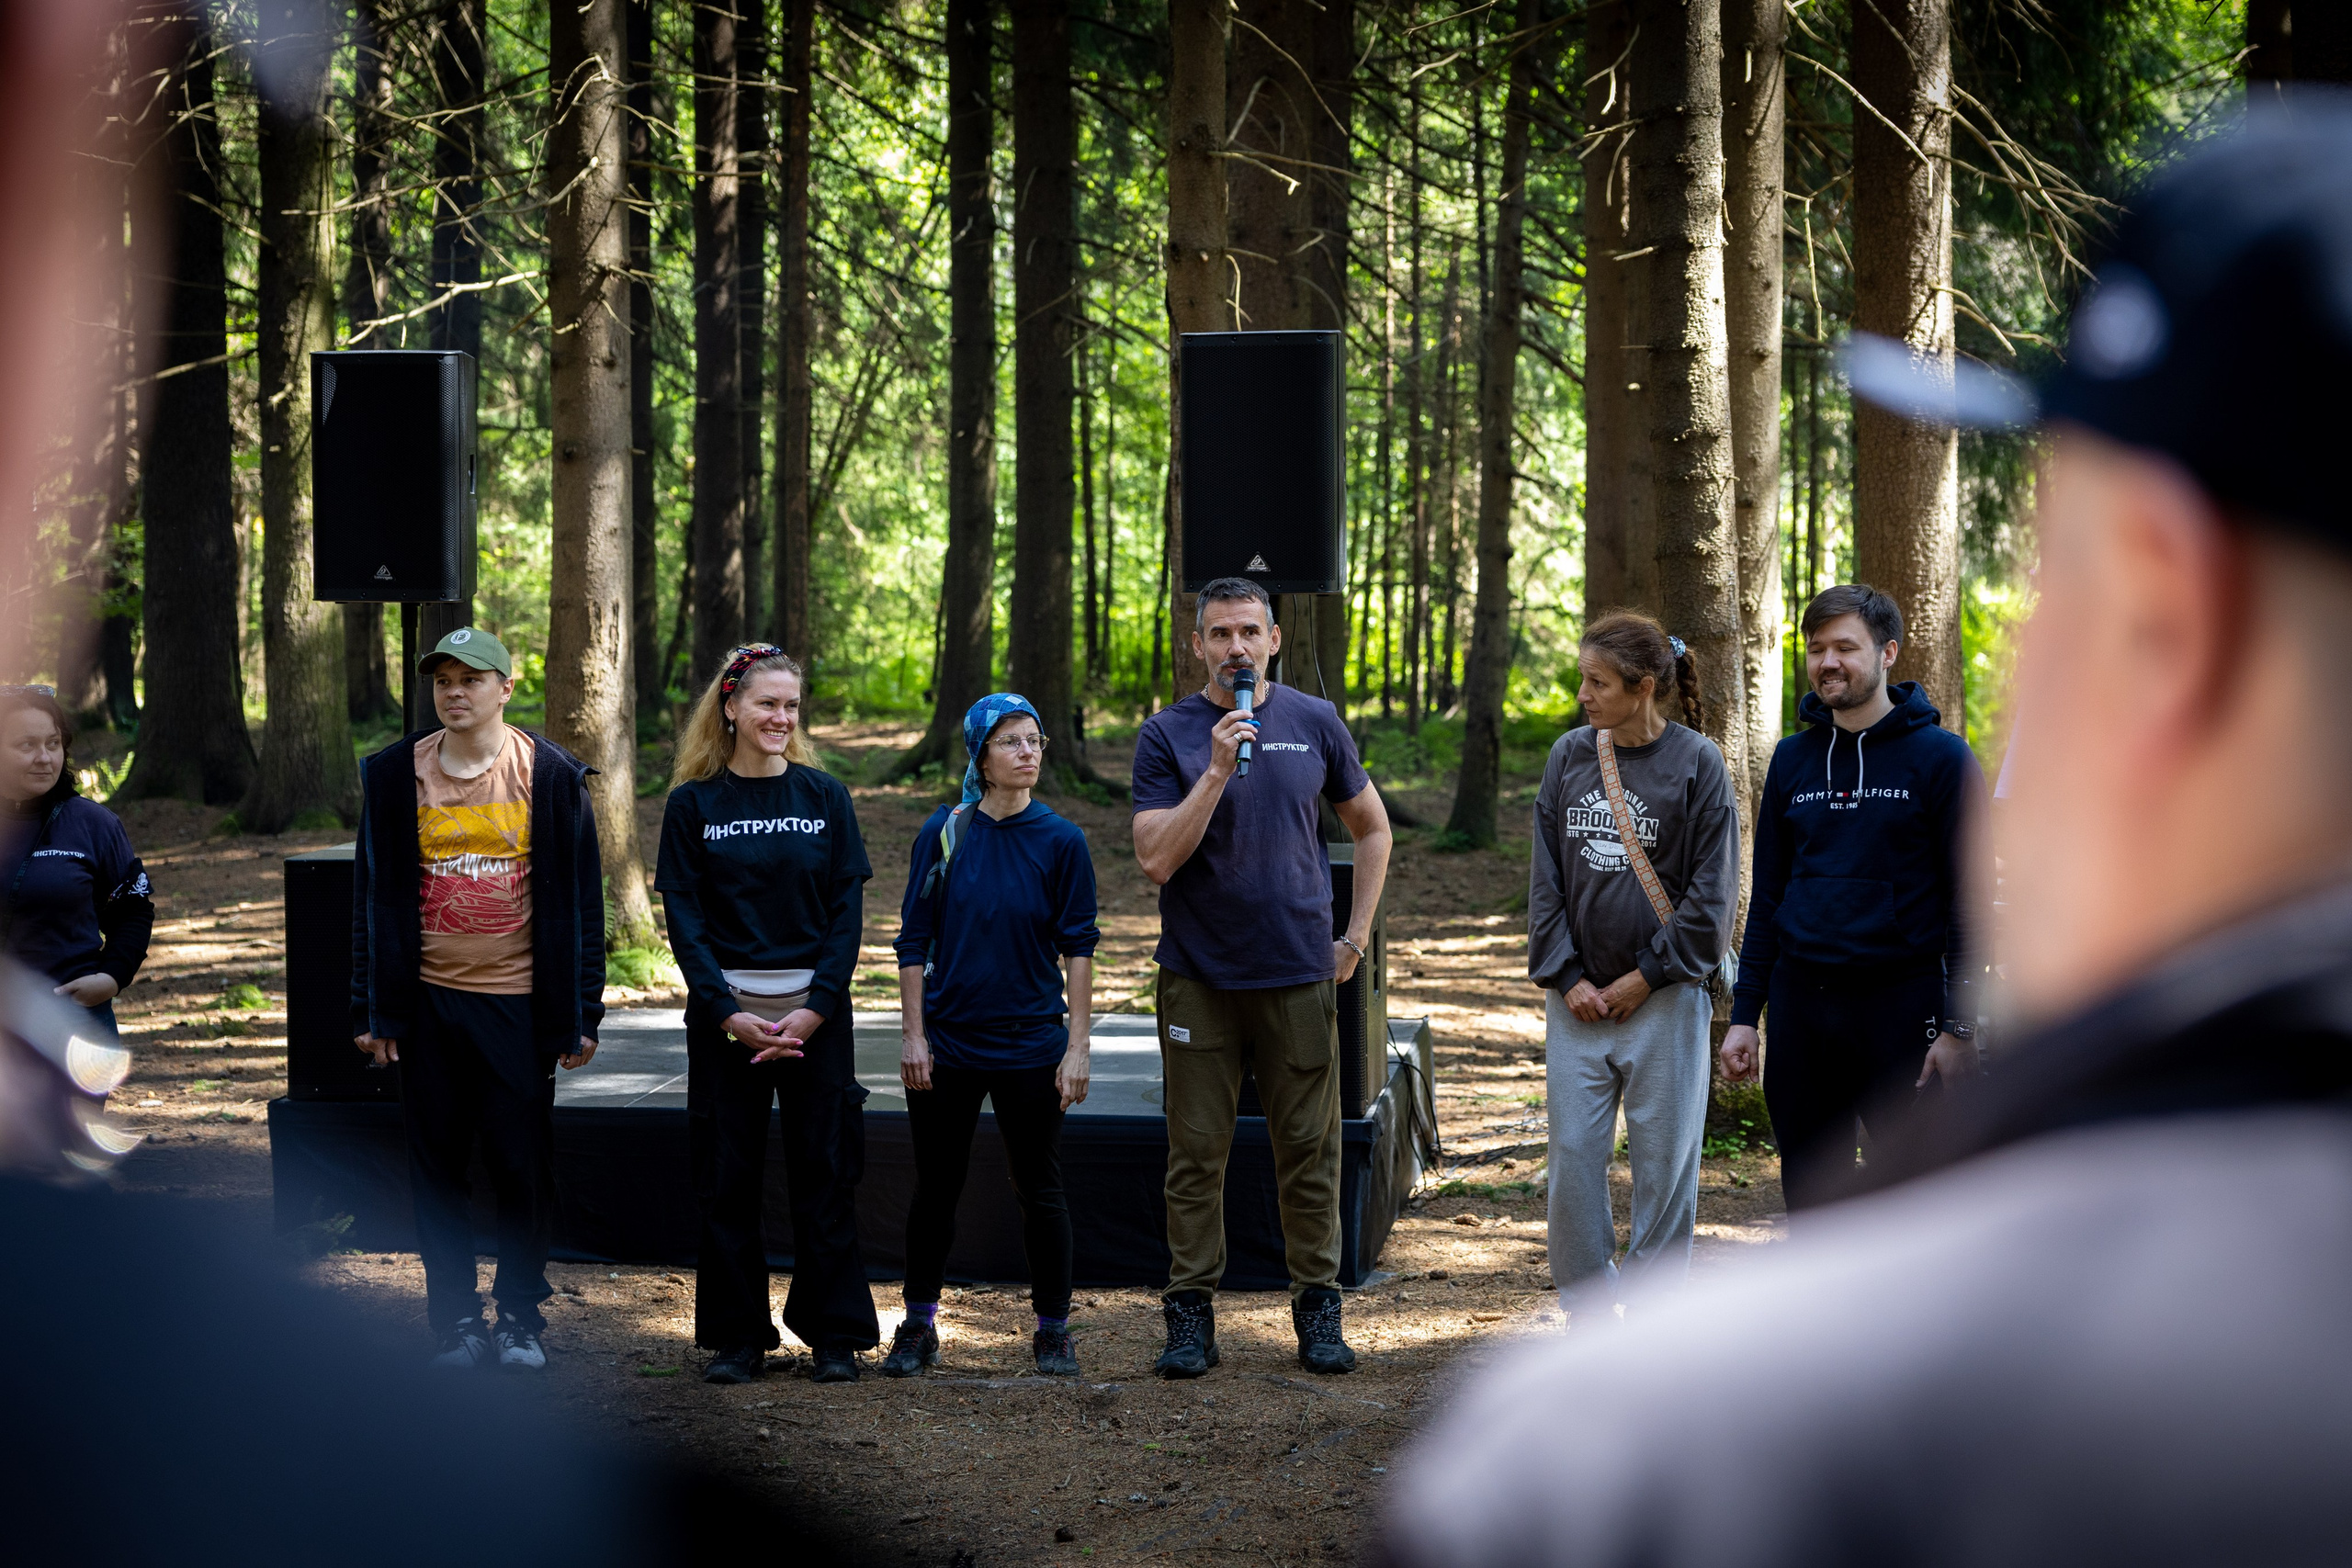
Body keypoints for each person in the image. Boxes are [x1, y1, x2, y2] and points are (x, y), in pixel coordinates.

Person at [1382, 106, 2352, 1567]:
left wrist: (1948, 1019)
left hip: (1895, 1011)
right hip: (1805, 1001)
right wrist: (1755, 1003)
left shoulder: (1648, 1466)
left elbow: (1885, 897)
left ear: (2168, 613)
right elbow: (1749, 897)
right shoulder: (1776, 763)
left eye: (2058, 584)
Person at [1131, 577, 1393, 1378]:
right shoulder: (1167, 734)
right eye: (1220, 634)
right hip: (1199, 979)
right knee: (1195, 1153)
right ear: (1200, 643)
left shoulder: (1314, 720)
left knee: (1309, 1151)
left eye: (1249, 631)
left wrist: (1352, 937)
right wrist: (1213, 770)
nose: (1235, 647)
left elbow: (1373, 827)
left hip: (1297, 976)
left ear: (1275, 639)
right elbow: (1155, 858)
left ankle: (1317, 1309)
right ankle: (1190, 1316)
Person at [350, 629, 606, 1373]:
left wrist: (582, 1010)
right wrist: (373, 1008)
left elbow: (583, 907)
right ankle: (455, 1318)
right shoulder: (396, 775)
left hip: (519, 1007)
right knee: (436, 1168)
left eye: (472, 678)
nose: (455, 692)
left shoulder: (552, 776)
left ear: (506, 686)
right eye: (443, 681)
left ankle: (520, 1316)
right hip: (428, 1007)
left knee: (521, 1166)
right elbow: (371, 898)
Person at [1716, 582, 1986, 1210]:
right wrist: (1743, 1017)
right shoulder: (1791, 760)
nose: (1827, 662)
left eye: (1845, 646)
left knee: (1918, 1202)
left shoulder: (1943, 760)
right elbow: (1770, 898)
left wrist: (1961, 1027)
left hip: (1903, 1015)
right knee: (1812, 1200)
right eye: (1816, 648)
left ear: (1887, 652)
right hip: (1801, 1016)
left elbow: (1969, 905)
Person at [656, 644, 878, 1386]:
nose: (780, 717)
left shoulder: (825, 798)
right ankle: (737, 1335)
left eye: (790, 705)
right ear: (731, 708)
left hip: (816, 1019)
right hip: (728, 1023)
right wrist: (727, 1011)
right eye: (765, 704)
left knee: (826, 1170)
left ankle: (836, 1332)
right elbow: (684, 919)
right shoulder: (693, 805)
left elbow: (847, 916)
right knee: (727, 1177)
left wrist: (817, 1007)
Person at [1526, 614, 1737, 1322]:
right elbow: (1546, 880)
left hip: (1667, 1003)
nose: (1583, 694)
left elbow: (1713, 898)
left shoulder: (1698, 764)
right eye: (1583, 679)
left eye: (1598, 682)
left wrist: (1646, 975)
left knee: (1665, 1174)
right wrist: (1566, 975)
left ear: (1644, 688)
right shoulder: (1568, 756)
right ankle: (1589, 1320)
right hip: (1577, 1002)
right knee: (1573, 1168)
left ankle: (1650, 1328)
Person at [882, 694, 1100, 1379]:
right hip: (948, 1044)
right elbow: (912, 942)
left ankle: (1053, 1329)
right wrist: (914, 1036)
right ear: (981, 755)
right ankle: (919, 1326)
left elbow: (1080, 948)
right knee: (936, 1188)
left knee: (1041, 1190)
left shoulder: (1063, 840)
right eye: (1011, 741)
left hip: (1033, 1042)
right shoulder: (944, 833)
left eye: (1035, 739)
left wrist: (1078, 1044)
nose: (1029, 751)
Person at [0, 684, 152, 1030]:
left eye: (53, 744)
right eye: (27, 745)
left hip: (75, 1023)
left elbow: (133, 911)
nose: (44, 757)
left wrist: (111, 978)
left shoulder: (95, 824)